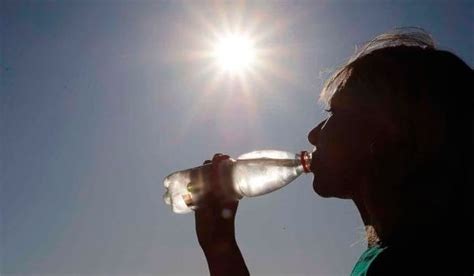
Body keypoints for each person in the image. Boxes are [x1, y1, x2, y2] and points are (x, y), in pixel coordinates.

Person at [194, 29, 473, 276]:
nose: (314, 134)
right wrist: (219, 241)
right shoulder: (399, 255)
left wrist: (220, 247)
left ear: (385, 135)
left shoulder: (408, 266)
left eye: (335, 112)